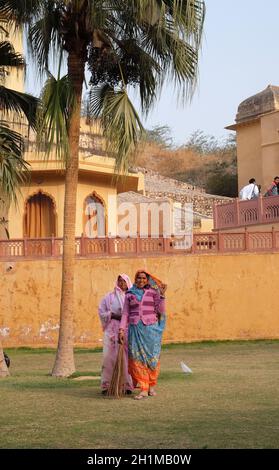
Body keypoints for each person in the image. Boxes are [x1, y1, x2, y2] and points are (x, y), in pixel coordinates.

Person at [118, 270, 167, 400]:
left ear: (147, 280)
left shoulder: (153, 293)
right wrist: (121, 330)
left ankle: (151, 386)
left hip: (151, 330)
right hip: (135, 330)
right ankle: (144, 388)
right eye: (139, 278)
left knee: (152, 357)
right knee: (137, 357)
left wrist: (162, 296)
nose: (141, 280)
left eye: (144, 278)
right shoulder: (130, 294)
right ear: (135, 279)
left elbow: (160, 310)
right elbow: (125, 314)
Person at [98, 274, 133, 395]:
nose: (122, 283)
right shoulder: (109, 297)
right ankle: (107, 385)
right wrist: (111, 315)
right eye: (120, 281)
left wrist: (123, 318)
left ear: (128, 282)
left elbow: (135, 312)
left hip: (127, 330)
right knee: (109, 358)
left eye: (124, 281)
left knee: (125, 358)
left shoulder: (131, 296)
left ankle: (126, 385)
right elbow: (101, 311)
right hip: (111, 331)